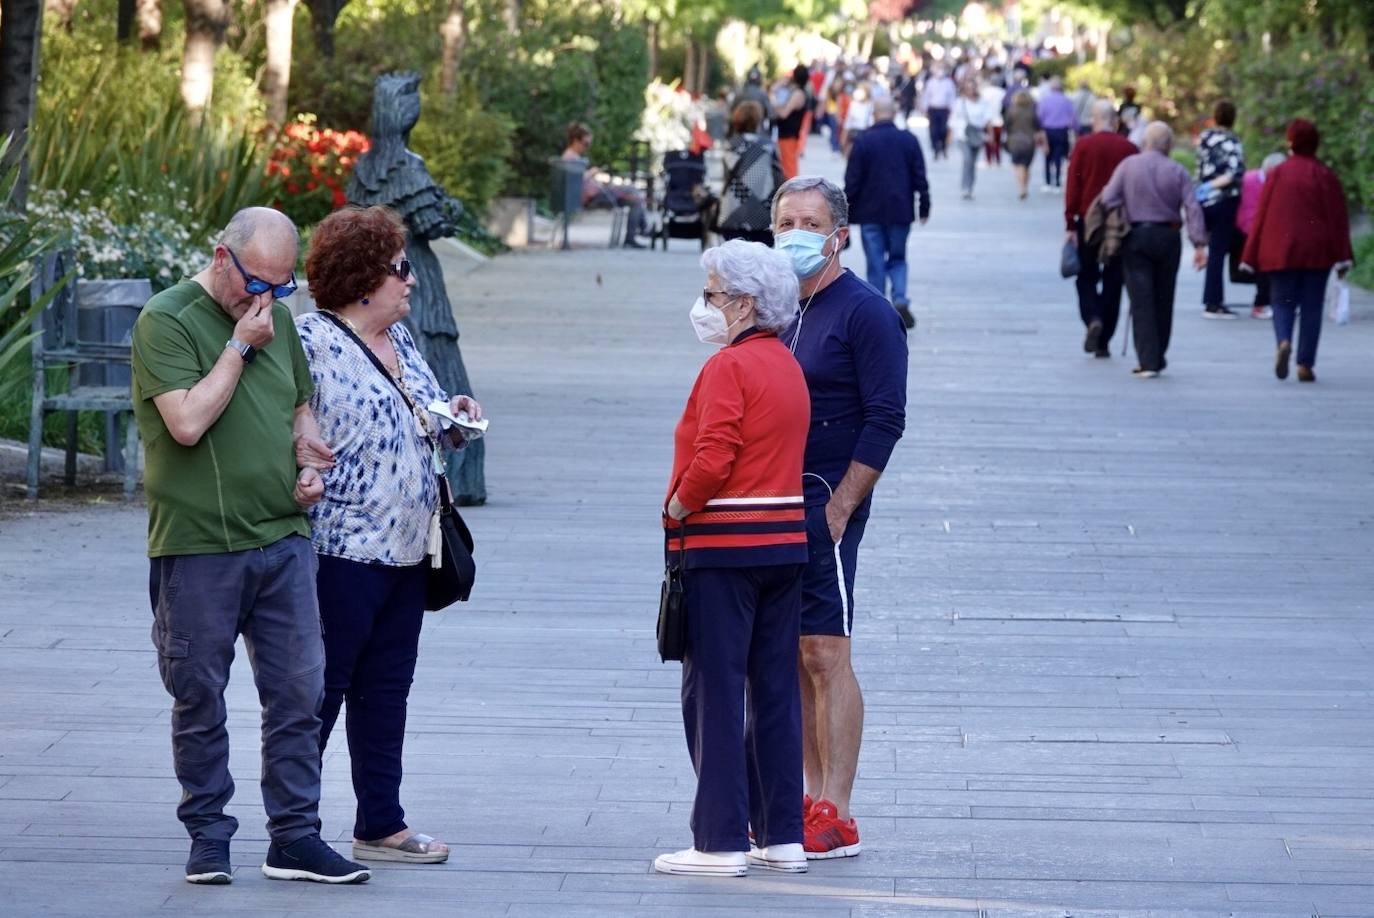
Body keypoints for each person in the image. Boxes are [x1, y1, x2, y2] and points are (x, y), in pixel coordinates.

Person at [130, 207, 371, 886]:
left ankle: (294, 836)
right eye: (255, 283)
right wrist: (237, 346)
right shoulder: (168, 320)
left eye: (280, 287)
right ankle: (208, 833)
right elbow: (186, 422)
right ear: (219, 257)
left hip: (284, 536)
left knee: (301, 693)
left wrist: (305, 452)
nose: (265, 299)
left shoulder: (280, 323)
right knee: (198, 693)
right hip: (200, 544)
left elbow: (299, 404)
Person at [296, 206, 483, 867]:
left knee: (388, 690)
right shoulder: (311, 343)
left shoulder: (401, 342)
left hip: (410, 546)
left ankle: (382, 822)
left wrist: (456, 416)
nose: (412, 281)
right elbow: (287, 430)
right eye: (401, 268)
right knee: (324, 689)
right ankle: (296, 825)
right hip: (342, 552)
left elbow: (430, 416)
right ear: (363, 279)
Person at [653, 241, 811, 877]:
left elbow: (714, 454)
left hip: (723, 547)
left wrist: (678, 506)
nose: (705, 306)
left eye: (714, 295)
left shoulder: (727, 368)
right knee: (774, 690)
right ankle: (782, 837)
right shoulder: (786, 364)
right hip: (783, 544)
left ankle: (718, 839)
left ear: (745, 304)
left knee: (714, 691)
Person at [772, 176, 908, 859]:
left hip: (827, 505)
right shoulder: (774, 309)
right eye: (785, 220)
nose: (795, 232)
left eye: (809, 222)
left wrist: (842, 507)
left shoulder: (866, 313)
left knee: (828, 652)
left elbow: (887, 419)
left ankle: (839, 809)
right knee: (795, 654)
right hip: (768, 506)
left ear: (838, 235)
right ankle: (806, 794)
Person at [1241, 119, 1354, 383]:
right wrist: (1343, 255)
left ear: (1291, 142)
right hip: (1317, 252)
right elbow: (1338, 219)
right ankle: (1305, 364)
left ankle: (1283, 341)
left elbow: (1261, 216)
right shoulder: (1325, 175)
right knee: (1312, 306)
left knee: (1281, 301)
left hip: (1280, 249)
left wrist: (1250, 254)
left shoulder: (1277, 174)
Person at [1099, 122, 1208, 378]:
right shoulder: (1177, 170)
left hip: (1136, 236)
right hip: (1168, 237)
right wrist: (1199, 244)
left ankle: (1148, 361)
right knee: (1163, 297)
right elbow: (1192, 208)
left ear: (1145, 143)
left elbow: (1108, 198)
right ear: (1168, 145)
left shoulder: (1128, 166)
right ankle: (1158, 355)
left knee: (1141, 299)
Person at [844, 98, 931, 329]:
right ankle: (900, 299)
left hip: (869, 212)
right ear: (894, 115)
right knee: (898, 258)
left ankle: (878, 305)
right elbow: (919, 176)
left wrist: (844, 210)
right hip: (901, 210)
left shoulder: (863, 141)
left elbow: (852, 180)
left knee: (875, 262)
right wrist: (924, 204)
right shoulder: (909, 140)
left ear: (874, 114)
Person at [1064, 100, 1137, 357]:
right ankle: (1104, 339)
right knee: (1114, 278)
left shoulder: (1084, 145)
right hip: (1119, 222)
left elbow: (1073, 184)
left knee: (1085, 275)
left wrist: (1070, 221)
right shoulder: (1129, 148)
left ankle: (1093, 317)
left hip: (1089, 220)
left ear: (1094, 119)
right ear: (1115, 121)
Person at [1195, 100, 1246, 319]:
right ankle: (1214, 302)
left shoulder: (1205, 138)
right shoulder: (1233, 140)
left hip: (1204, 200)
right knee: (1218, 252)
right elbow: (1236, 172)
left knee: (1212, 250)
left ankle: (1211, 299)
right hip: (1224, 200)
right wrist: (1216, 185)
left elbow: (1200, 167)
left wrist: (1204, 188)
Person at [561, 122, 649, 249]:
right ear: (575, 140)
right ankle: (643, 230)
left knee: (634, 200)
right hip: (593, 198)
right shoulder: (570, 158)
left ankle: (636, 234)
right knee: (633, 191)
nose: (587, 148)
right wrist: (592, 173)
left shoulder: (574, 157)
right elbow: (576, 181)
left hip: (598, 194)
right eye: (586, 144)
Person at [717, 101, 785, 246]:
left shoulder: (730, 145)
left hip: (732, 212)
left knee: (733, 259)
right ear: (758, 121)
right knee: (761, 258)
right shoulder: (768, 146)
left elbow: (726, 175)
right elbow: (778, 176)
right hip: (763, 211)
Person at [1233, 152, 1286, 320]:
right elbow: (1245, 211)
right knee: (1264, 271)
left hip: (1268, 232)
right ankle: (1261, 304)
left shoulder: (1278, 183)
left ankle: (1272, 302)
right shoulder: (1249, 180)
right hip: (1250, 231)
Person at [950, 78, 995, 200]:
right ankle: (964, 187)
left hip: (977, 135)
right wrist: (950, 135)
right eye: (968, 88)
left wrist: (991, 135)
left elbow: (988, 120)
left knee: (972, 163)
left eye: (972, 88)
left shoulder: (983, 102)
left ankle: (970, 187)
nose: (970, 90)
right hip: (963, 135)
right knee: (967, 160)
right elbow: (953, 119)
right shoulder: (960, 102)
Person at [1035, 77, 1075, 190]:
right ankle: (1057, 181)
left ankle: (1048, 182)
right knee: (1058, 156)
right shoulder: (1066, 100)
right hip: (1062, 131)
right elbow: (1072, 117)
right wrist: (1075, 129)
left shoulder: (1045, 100)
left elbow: (1039, 116)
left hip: (1048, 131)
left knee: (1047, 156)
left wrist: (1039, 130)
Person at [773, 65, 811, 180]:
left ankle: (792, 194)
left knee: (789, 169)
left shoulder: (798, 93)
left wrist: (774, 103)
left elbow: (784, 113)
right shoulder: (796, 91)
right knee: (786, 167)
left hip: (789, 135)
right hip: (787, 134)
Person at [1004, 90, 1043, 200]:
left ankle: (1022, 188)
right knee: (1026, 166)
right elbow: (1038, 127)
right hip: (1029, 142)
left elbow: (1006, 126)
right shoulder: (1032, 112)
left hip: (1015, 141)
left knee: (1018, 165)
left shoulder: (1011, 111)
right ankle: (1024, 186)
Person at [921, 66, 957, 159]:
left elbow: (952, 97)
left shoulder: (949, 83)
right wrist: (925, 109)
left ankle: (944, 147)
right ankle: (935, 149)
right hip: (933, 109)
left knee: (943, 130)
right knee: (933, 131)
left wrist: (952, 110)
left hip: (944, 109)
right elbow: (926, 96)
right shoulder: (930, 82)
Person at [734, 66, 773, 134]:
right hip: (758, 131)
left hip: (740, 132)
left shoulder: (740, 93)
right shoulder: (763, 94)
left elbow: (733, 112)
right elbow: (770, 114)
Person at [981, 78, 1006, 165]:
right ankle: (998, 158)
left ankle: (989, 159)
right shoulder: (1002, 92)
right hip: (998, 120)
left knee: (988, 140)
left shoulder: (985, 92)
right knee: (998, 141)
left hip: (987, 120)